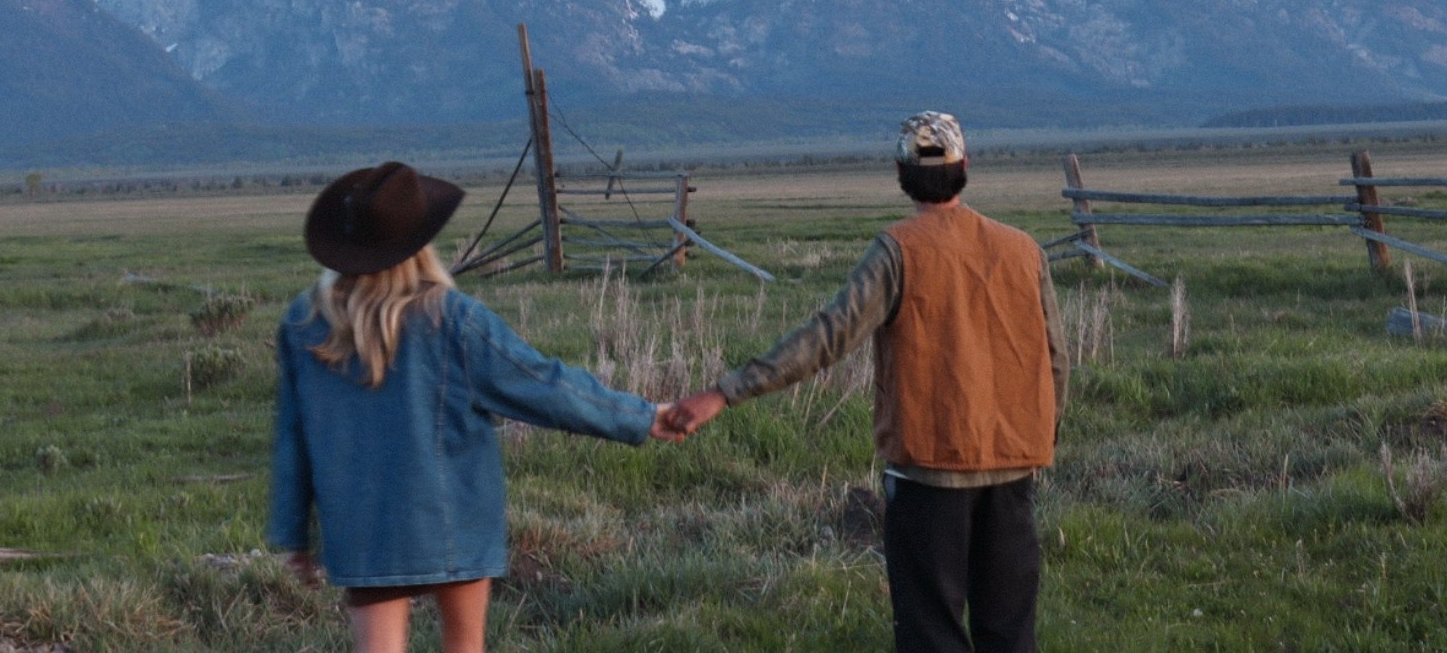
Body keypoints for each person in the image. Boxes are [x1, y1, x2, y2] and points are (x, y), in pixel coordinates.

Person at [667, 111, 1068, 653]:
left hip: (928, 473)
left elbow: (827, 337)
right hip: (1012, 469)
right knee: (1010, 634)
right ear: (965, 167)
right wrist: (1036, 437)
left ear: (901, 174)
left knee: (931, 634)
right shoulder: (1023, 249)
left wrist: (724, 391)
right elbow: (1055, 359)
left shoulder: (898, 251)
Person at [267, 161, 681, 653]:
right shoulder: (454, 319)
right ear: (421, 243)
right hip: (455, 521)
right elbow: (545, 386)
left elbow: (291, 438)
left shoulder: (305, 321)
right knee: (465, 645)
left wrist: (293, 534)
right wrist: (641, 417)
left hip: (362, 528)